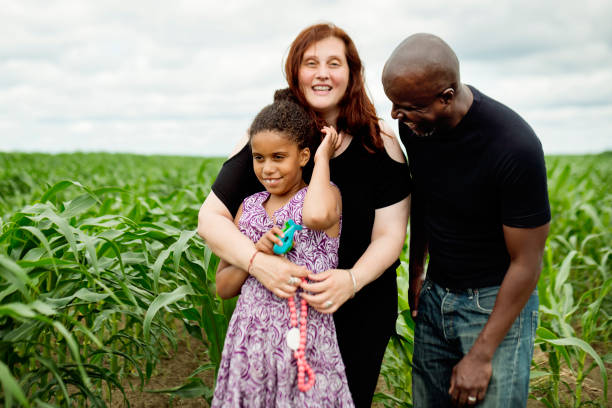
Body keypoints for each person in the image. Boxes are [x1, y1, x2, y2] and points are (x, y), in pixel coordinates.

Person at [198, 23, 411, 407]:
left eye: (335, 63)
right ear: (295, 71)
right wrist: (257, 262)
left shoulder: (381, 142)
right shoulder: (267, 140)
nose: (323, 73)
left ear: (352, 72)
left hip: (357, 309)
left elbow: (390, 235)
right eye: (311, 63)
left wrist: (351, 279)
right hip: (275, 317)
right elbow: (210, 217)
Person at [381, 33, 551, 407]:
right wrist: (417, 274)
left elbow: (527, 262)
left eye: (407, 106)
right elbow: (425, 198)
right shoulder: (417, 128)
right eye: (393, 104)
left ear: (446, 96)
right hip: (436, 295)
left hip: (494, 303)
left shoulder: (512, 146)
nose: (396, 116)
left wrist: (481, 354)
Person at [211, 96, 354, 406]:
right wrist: (255, 257)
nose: (267, 168)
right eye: (259, 158)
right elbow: (222, 287)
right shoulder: (248, 209)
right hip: (249, 349)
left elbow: (315, 216)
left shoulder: (324, 196)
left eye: (278, 157)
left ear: (303, 156)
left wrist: (324, 157)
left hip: (307, 345)